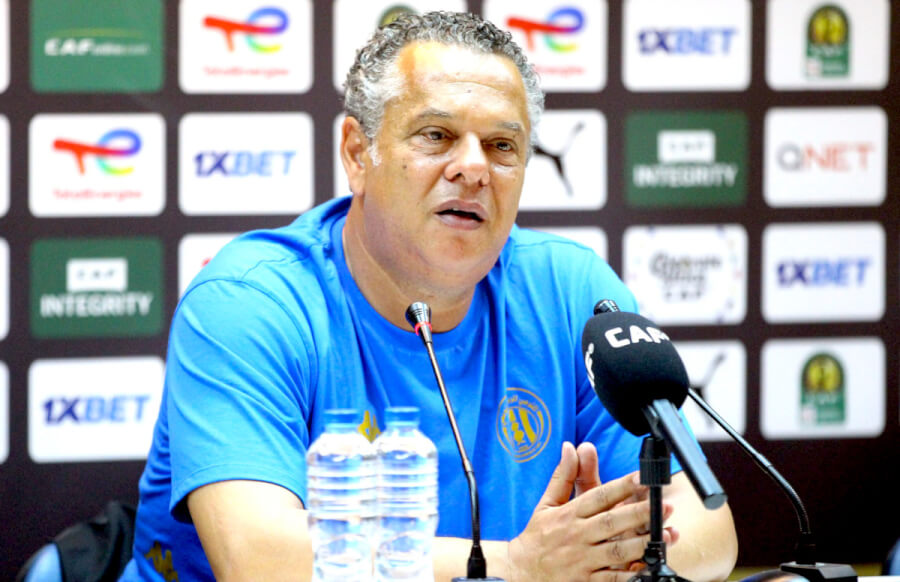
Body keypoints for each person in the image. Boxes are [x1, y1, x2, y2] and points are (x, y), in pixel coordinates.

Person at [119, 11, 737, 582]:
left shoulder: (574, 292)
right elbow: (260, 562)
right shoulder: (249, 302)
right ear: (359, 155)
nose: (474, 169)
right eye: (437, 136)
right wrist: (518, 568)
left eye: (502, 146)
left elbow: (707, 527)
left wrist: (591, 563)